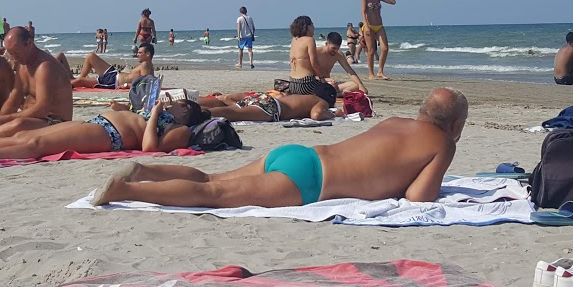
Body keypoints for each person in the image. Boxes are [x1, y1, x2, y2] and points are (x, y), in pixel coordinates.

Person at [90, 87, 468, 208]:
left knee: (211, 177)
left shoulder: (395, 123)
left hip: (300, 154)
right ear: (453, 125)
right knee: (215, 194)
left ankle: (146, 170)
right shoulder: (441, 143)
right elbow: (420, 198)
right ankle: (127, 189)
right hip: (310, 181)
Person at [0, 94, 204, 162]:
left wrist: (156, 112)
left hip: (110, 135)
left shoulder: (181, 130)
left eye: (179, 102)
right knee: (25, 135)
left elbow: (149, 147)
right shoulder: (164, 116)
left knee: (37, 145)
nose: (174, 102)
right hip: (100, 123)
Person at [0, 26, 74, 131]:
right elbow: (14, 99)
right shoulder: (23, 65)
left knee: (18, 124)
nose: (14, 58)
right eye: (11, 54)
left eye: (17, 53)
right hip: (33, 120)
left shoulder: (44, 67)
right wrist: (0, 118)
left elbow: (42, 109)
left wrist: (6, 119)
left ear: (29, 43)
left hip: (55, 122)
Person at [280, 16, 340, 109]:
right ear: (307, 27)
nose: (314, 27)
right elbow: (314, 63)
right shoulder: (309, 40)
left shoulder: (294, 40)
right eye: (312, 25)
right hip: (306, 84)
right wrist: (322, 79)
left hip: (293, 84)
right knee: (330, 91)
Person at [58, 42, 154, 89]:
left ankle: (67, 84)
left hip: (112, 81)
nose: (137, 54)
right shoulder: (147, 65)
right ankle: (77, 80)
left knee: (79, 81)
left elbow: (144, 85)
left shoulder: (145, 65)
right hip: (114, 74)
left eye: (140, 53)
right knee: (91, 56)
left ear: (148, 54)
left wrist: (126, 85)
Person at [197, 90, 332, 123]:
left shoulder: (305, 96)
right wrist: (334, 114)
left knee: (231, 106)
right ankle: (198, 115)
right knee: (234, 113)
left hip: (264, 97)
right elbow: (317, 115)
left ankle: (194, 106)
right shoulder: (321, 102)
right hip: (271, 107)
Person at [361, 0, 397, 80]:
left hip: (379, 25)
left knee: (385, 48)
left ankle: (380, 71)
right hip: (369, 26)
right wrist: (366, 26)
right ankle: (371, 73)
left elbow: (393, 2)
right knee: (371, 50)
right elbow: (363, 12)